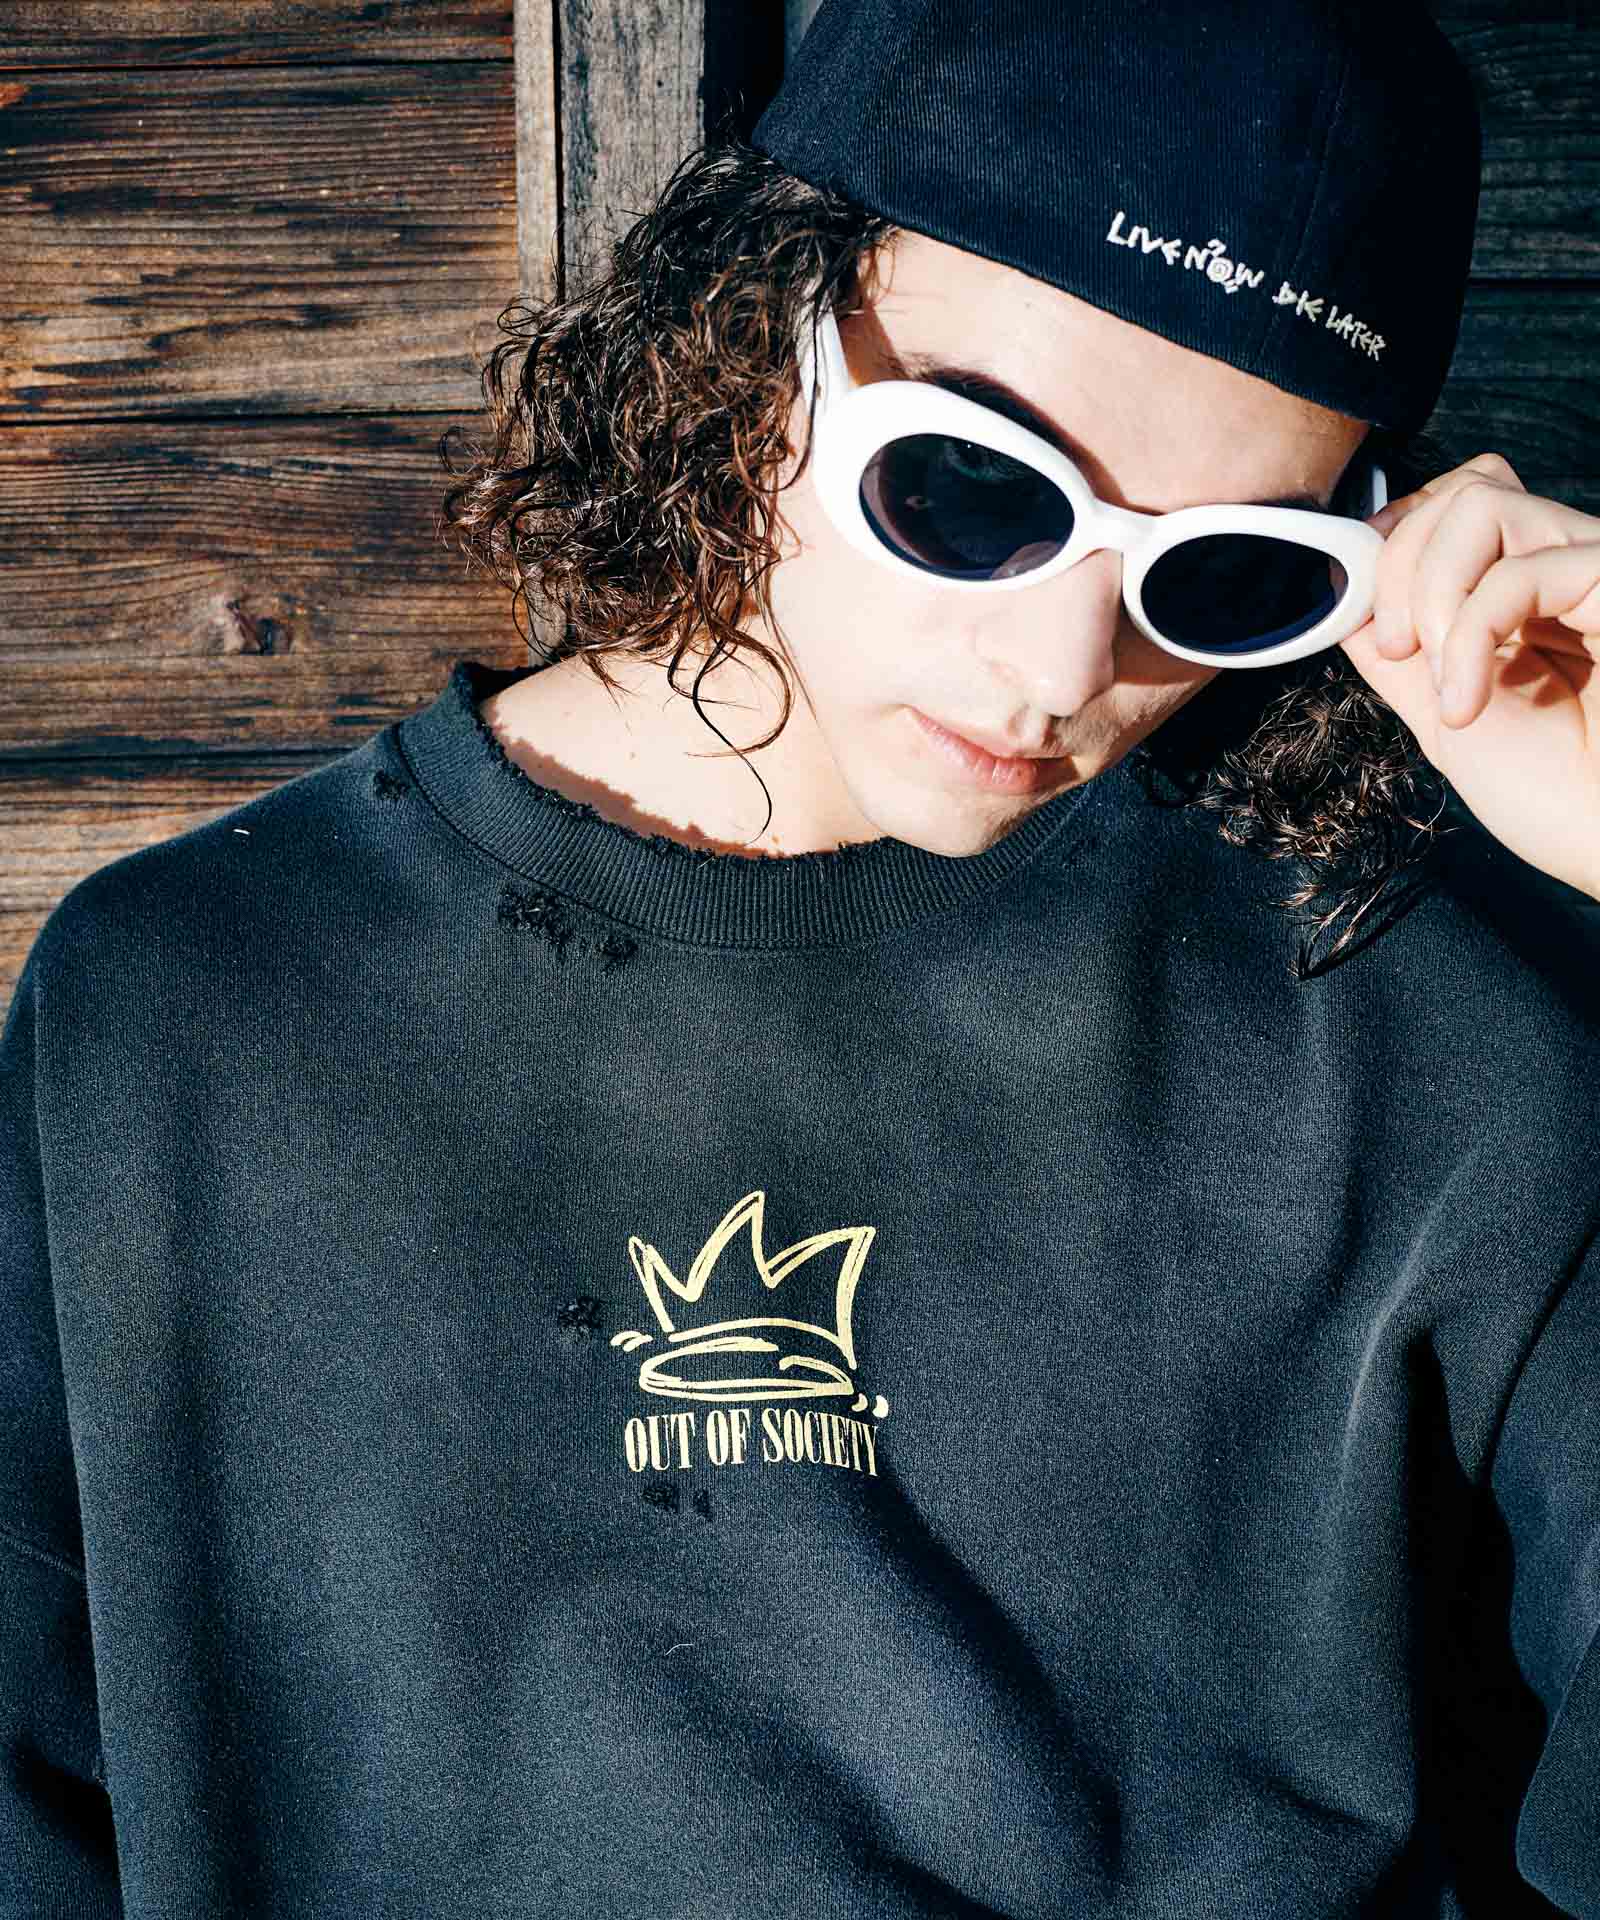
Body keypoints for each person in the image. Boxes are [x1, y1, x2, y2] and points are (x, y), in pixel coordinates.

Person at [3, 1, 1598, 1914]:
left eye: (1231, 575)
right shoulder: (178, 1010)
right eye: (979, 491)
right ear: (753, 330)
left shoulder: (1414, 1022)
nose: (1065, 668)